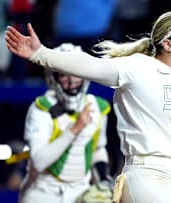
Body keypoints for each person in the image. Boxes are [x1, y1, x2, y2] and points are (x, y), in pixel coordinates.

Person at [5, 10, 171, 203]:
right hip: (145, 177)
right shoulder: (137, 68)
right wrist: (41, 54)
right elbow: (88, 65)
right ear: (168, 44)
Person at [16, 43, 113, 203]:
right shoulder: (41, 108)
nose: (72, 80)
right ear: (53, 78)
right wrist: (74, 130)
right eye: (63, 74)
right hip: (43, 192)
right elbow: (39, 161)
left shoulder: (97, 107)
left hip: (80, 192)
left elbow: (98, 149)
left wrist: (103, 178)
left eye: (76, 73)